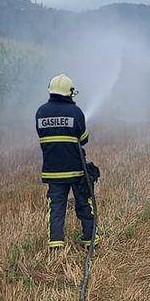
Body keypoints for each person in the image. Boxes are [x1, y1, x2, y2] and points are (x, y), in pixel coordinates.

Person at [36, 74, 96, 251]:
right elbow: (83, 139)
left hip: (52, 171)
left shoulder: (40, 112)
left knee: (56, 209)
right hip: (76, 171)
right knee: (84, 205)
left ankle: (56, 245)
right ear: (69, 93)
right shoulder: (76, 112)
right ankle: (89, 241)